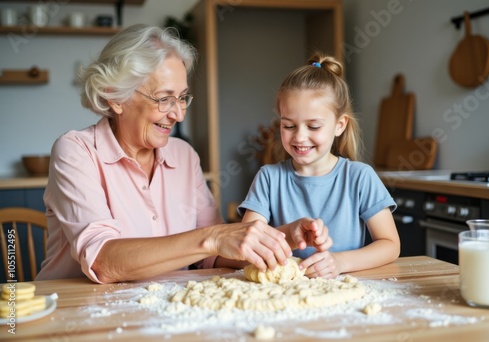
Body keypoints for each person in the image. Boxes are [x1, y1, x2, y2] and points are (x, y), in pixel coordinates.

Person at [36, 24, 331, 284]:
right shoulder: (76, 152)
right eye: (165, 99)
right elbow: (102, 260)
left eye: (182, 98)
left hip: (156, 309)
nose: (178, 114)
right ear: (116, 97)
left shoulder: (184, 156)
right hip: (74, 312)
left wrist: (277, 240)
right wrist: (213, 238)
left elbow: (211, 256)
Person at [237, 53, 400, 279]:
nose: (300, 137)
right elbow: (246, 246)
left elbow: (390, 245)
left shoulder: (360, 177)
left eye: (313, 126)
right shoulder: (268, 178)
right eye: (289, 125)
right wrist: (289, 235)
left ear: (339, 125)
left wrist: (339, 262)